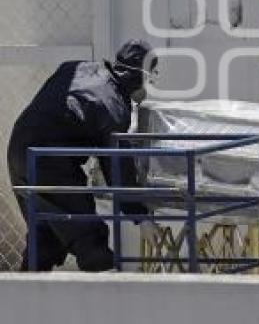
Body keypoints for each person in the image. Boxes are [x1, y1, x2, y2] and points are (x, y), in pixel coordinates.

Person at [7, 39, 158, 271]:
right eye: (150, 77)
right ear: (140, 75)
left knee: (46, 237)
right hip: (49, 160)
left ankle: (21, 304)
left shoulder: (76, 67)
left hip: (18, 151)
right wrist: (140, 216)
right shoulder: (113, 104)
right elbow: (118, 166)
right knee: (91, 240)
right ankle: (110, 300)